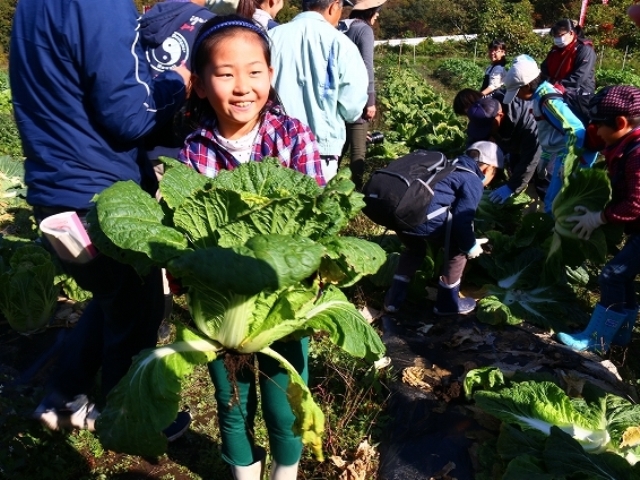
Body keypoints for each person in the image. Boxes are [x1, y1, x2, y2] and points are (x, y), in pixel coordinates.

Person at [9, 0, 191, 437]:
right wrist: (175, 84)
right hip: (100, 194)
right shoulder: (102, 5)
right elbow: (129, 115)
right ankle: (126, 418)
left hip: (52, 189)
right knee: (138, 306)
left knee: (114, 297)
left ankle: (62, 398)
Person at [177, 15, 326, 479]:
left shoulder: (293, 137)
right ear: (200, 85)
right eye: (225, 74)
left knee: (284, 405)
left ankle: (285, 473)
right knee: (231, 404)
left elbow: (321, 219)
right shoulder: (192, 151)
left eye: (255, 71)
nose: (243, 87)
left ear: (271, 75)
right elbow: (182, 236)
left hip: (280, 309)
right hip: (221, 310)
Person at [556, 86, 640, 353]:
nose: (595, 130)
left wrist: (600, 218)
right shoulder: (626, 145)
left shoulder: (637, 154)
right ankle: (621, 336)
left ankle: (597, 340)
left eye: (598, 125)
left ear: (621, 123)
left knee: (611, 276)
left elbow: (636, 204)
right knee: (624, 276)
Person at [383, 141, 503, 315]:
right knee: (457, 251)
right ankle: (447, 303)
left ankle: (393, 299)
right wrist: (470, 245)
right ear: (487, 169)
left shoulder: (446, 166)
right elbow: (462, 221)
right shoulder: (472, 179)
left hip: (400, 216)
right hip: (424, 220)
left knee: (414, 249)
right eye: (495, 174)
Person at [268, 0, 369, 182]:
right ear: (333, 6)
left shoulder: (271, 37)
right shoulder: (341, 44)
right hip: (320, 151)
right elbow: (352, 108)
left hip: (272, 148)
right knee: (314, 208)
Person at [501, 54, 594, 215]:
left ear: (527, 86)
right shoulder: (540, 96)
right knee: (557, 201)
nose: (517, 97)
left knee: (555, 203)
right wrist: (544, 157)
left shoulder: (548, 100)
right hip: (561, 152)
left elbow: (575, 129)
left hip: (574, 154)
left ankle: (561, 236)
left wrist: (566, 162)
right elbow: (551, 131)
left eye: (517, 92)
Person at [338, 0, 387, 190]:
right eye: (377, 10)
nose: (378, 14)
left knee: (340, 145)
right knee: (358, 151)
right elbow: (367, 66)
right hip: (357, 97)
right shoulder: (364, 30)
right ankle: (355, 194)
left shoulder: (343, 28)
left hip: (339, 96)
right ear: (369, 11)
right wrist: (371, 100)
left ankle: (327, 185)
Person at [465, 93, 542, 204]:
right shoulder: (484, 110)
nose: (487, 132)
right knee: (515, 167)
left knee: (541, 181)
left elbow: (530, 159)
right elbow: (474, 139)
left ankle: (539, 206)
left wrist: (512, 187)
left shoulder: (529, 125)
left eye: (488, 128)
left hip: (547, 149)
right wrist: (467, 166)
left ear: (499, 116)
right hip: (514, 145)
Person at [540, 18, 596, 94]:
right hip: (554, 90)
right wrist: (548, 82)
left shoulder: (584, 50)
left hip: (578, 94)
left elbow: (579, 77)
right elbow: (544, 68)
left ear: (571, 33)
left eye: (560, 35)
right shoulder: (555, 51)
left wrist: (559, 86)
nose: (557, 39)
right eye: (555, 36)